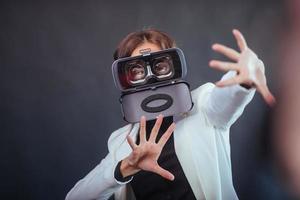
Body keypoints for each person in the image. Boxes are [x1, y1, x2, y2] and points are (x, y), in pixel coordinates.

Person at [66, 29, 275, 200]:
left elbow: (225, 98)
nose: (149, 77)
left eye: (160, 65)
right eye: (137, 70)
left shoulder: (202, 107)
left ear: (173, 66)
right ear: (125, 78)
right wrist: (126, 166)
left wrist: (244, 78)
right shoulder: (121, 142)